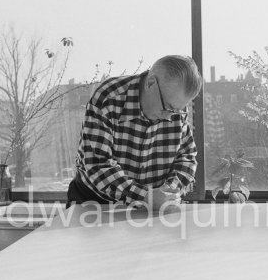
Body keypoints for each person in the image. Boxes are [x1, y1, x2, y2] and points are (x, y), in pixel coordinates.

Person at [66, 55, 203, 210]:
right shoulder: (108, 98)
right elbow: (98, 164)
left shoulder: (175, 106)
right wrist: (145, 197)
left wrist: (168, 192)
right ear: (151, 83)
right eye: (168, 108)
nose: (170, 117)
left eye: (177, 110)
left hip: (154, 208)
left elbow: (186, 158)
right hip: (95, 201)